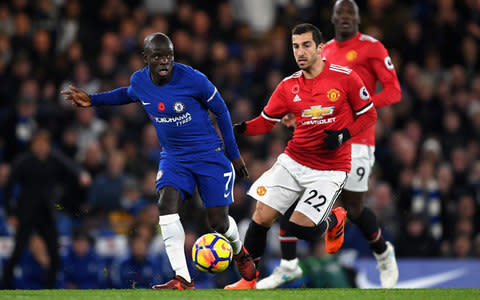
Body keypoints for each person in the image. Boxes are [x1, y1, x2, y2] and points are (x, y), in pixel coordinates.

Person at [61, 32, 256, 290]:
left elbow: (220, 110)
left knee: (218, 223)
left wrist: (234, 154)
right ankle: (182, 278)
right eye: (157, 56)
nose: (164, 61)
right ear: (146, 58)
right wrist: (93, 100)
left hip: (209, 155)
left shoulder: (194, 79)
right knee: (165, 204)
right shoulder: (140, 80)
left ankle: (239, 251)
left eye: (168, 56)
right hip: (174, 157)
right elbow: (127, 94)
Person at [258, 0, 401, 289]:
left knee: (355, 208)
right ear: (333, 18)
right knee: (295, 196)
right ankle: (289, 265)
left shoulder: (372, 47)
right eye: (340, 13)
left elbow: (394, 91)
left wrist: (357, 107)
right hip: (323, 142)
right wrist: (293, 114)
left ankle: (383, 253)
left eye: (351, 13)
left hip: (359, 140)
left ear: (358, 18)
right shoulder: (324, 51)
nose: (346, 17)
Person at [225, 23, 377, 289]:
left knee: (299, 228)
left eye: (306, 45)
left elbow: (369, 114)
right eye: (296, 46)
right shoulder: (288, 86)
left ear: (320, 48)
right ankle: (248, 281)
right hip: (293, 161)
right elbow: (266, 121)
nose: (300, 52)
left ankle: (334, 218)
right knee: (260, 216)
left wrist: (343, 134)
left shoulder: (345, 77)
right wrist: (240, 128)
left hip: (330, 169)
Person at [1, 130, 92, 289]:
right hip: (27, 213)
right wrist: (11, 213)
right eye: (38, 144)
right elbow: (9, 187)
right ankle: (4, 285)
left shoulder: (54, 158)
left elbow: (70, 165)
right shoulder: (24, 161)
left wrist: (81, 174)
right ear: (33, 145)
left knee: (54, 252)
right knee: (18, 251)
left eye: (45, 144)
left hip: (46, 213)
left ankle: (50, 288)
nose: (42, 147)